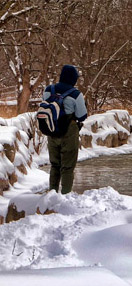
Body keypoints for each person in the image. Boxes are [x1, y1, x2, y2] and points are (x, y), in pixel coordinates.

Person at [43, 65, 87, 194]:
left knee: (55, 165)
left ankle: (52, 194)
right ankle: (66, 195)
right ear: (73, 79)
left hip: (51, 130)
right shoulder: (76, 94)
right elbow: (82, 116)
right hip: (69, 132)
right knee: (67, 167)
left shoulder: (48, 90)